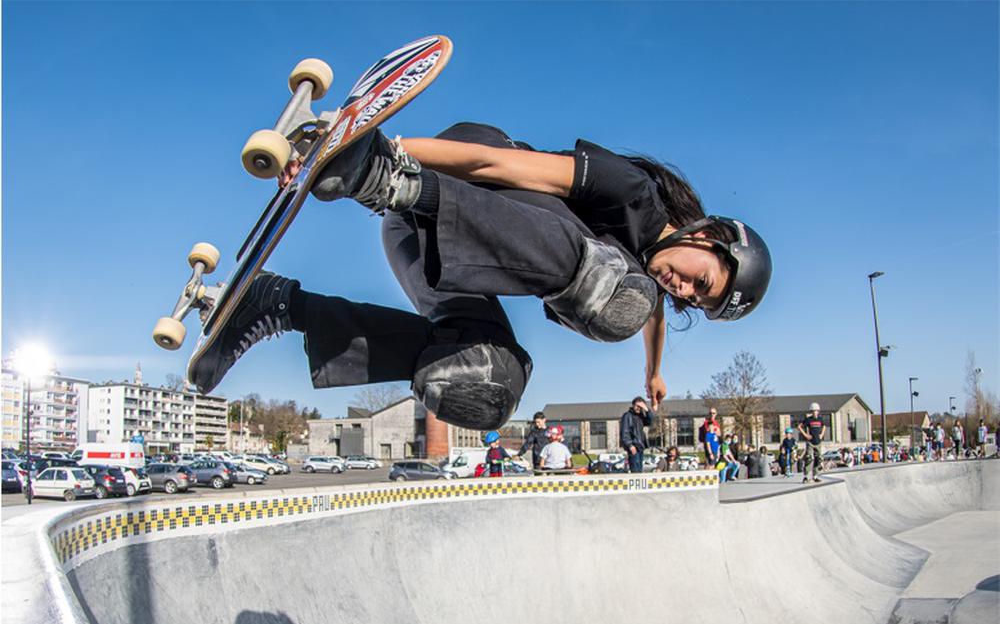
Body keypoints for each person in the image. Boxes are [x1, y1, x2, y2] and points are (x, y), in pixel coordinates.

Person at [187, 123, 773, 433]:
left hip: (426, 244)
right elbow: (504, 166)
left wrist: (655, 373)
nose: (684, 290)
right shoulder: (633, 194)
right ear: (707, 236)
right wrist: (382, 161)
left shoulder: (649, 279)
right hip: (448, 177)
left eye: (697, 300)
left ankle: (280, 305)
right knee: (618, 290)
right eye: (701, 280)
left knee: (486, 381)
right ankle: (383, 176)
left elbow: (655, 315)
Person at [620, 397, 652, 473]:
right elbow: (624, 432)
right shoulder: (627, 416)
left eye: (640, 407)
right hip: (634, 447)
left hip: (640, 446)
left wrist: (647, 410)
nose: (638, 408)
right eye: (637, 406)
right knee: (635, 471)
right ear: (633, 405)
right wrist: (630, 445)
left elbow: (650, 421)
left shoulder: (640, 417)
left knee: (639, 470)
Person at [798, 403, 825, 483]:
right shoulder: (808, 419)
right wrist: (806, 435)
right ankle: (806, 476)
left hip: (818, 442)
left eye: (816, 411)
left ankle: (815, 476)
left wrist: (822, 434)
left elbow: (824, 426)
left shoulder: (820, 419)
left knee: (818, 458)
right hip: (810, 442)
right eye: (813, 411)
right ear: (811, 412)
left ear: (818, 411)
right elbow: (799, 427)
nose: (815, 413)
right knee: (809, 458)